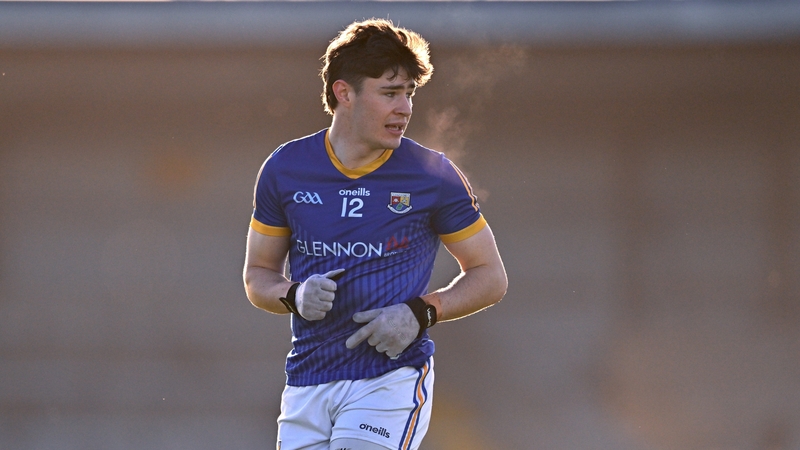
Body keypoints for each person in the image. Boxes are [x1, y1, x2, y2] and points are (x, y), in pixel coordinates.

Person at [243, 18, 507, 450]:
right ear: (343, 93)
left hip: (389, 380)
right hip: (306, 384)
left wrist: (420, 312)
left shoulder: (433, 175)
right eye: (389, 93)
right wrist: (294, 295)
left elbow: (490, 276)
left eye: (409, 93)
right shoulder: (284, 168)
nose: (404, 108)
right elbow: (257, 275)